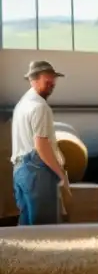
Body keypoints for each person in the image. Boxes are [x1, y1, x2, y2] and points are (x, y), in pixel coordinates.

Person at [11, 61, 69, 226]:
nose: (52, 84)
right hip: (37, 171)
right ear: (33, 80)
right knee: (44, 229)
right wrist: (60, 173)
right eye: (47, 80)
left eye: (53, 80)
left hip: (20, 169)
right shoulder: (40, 107)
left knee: (27, 227)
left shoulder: (22, 104)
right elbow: (41, 145)